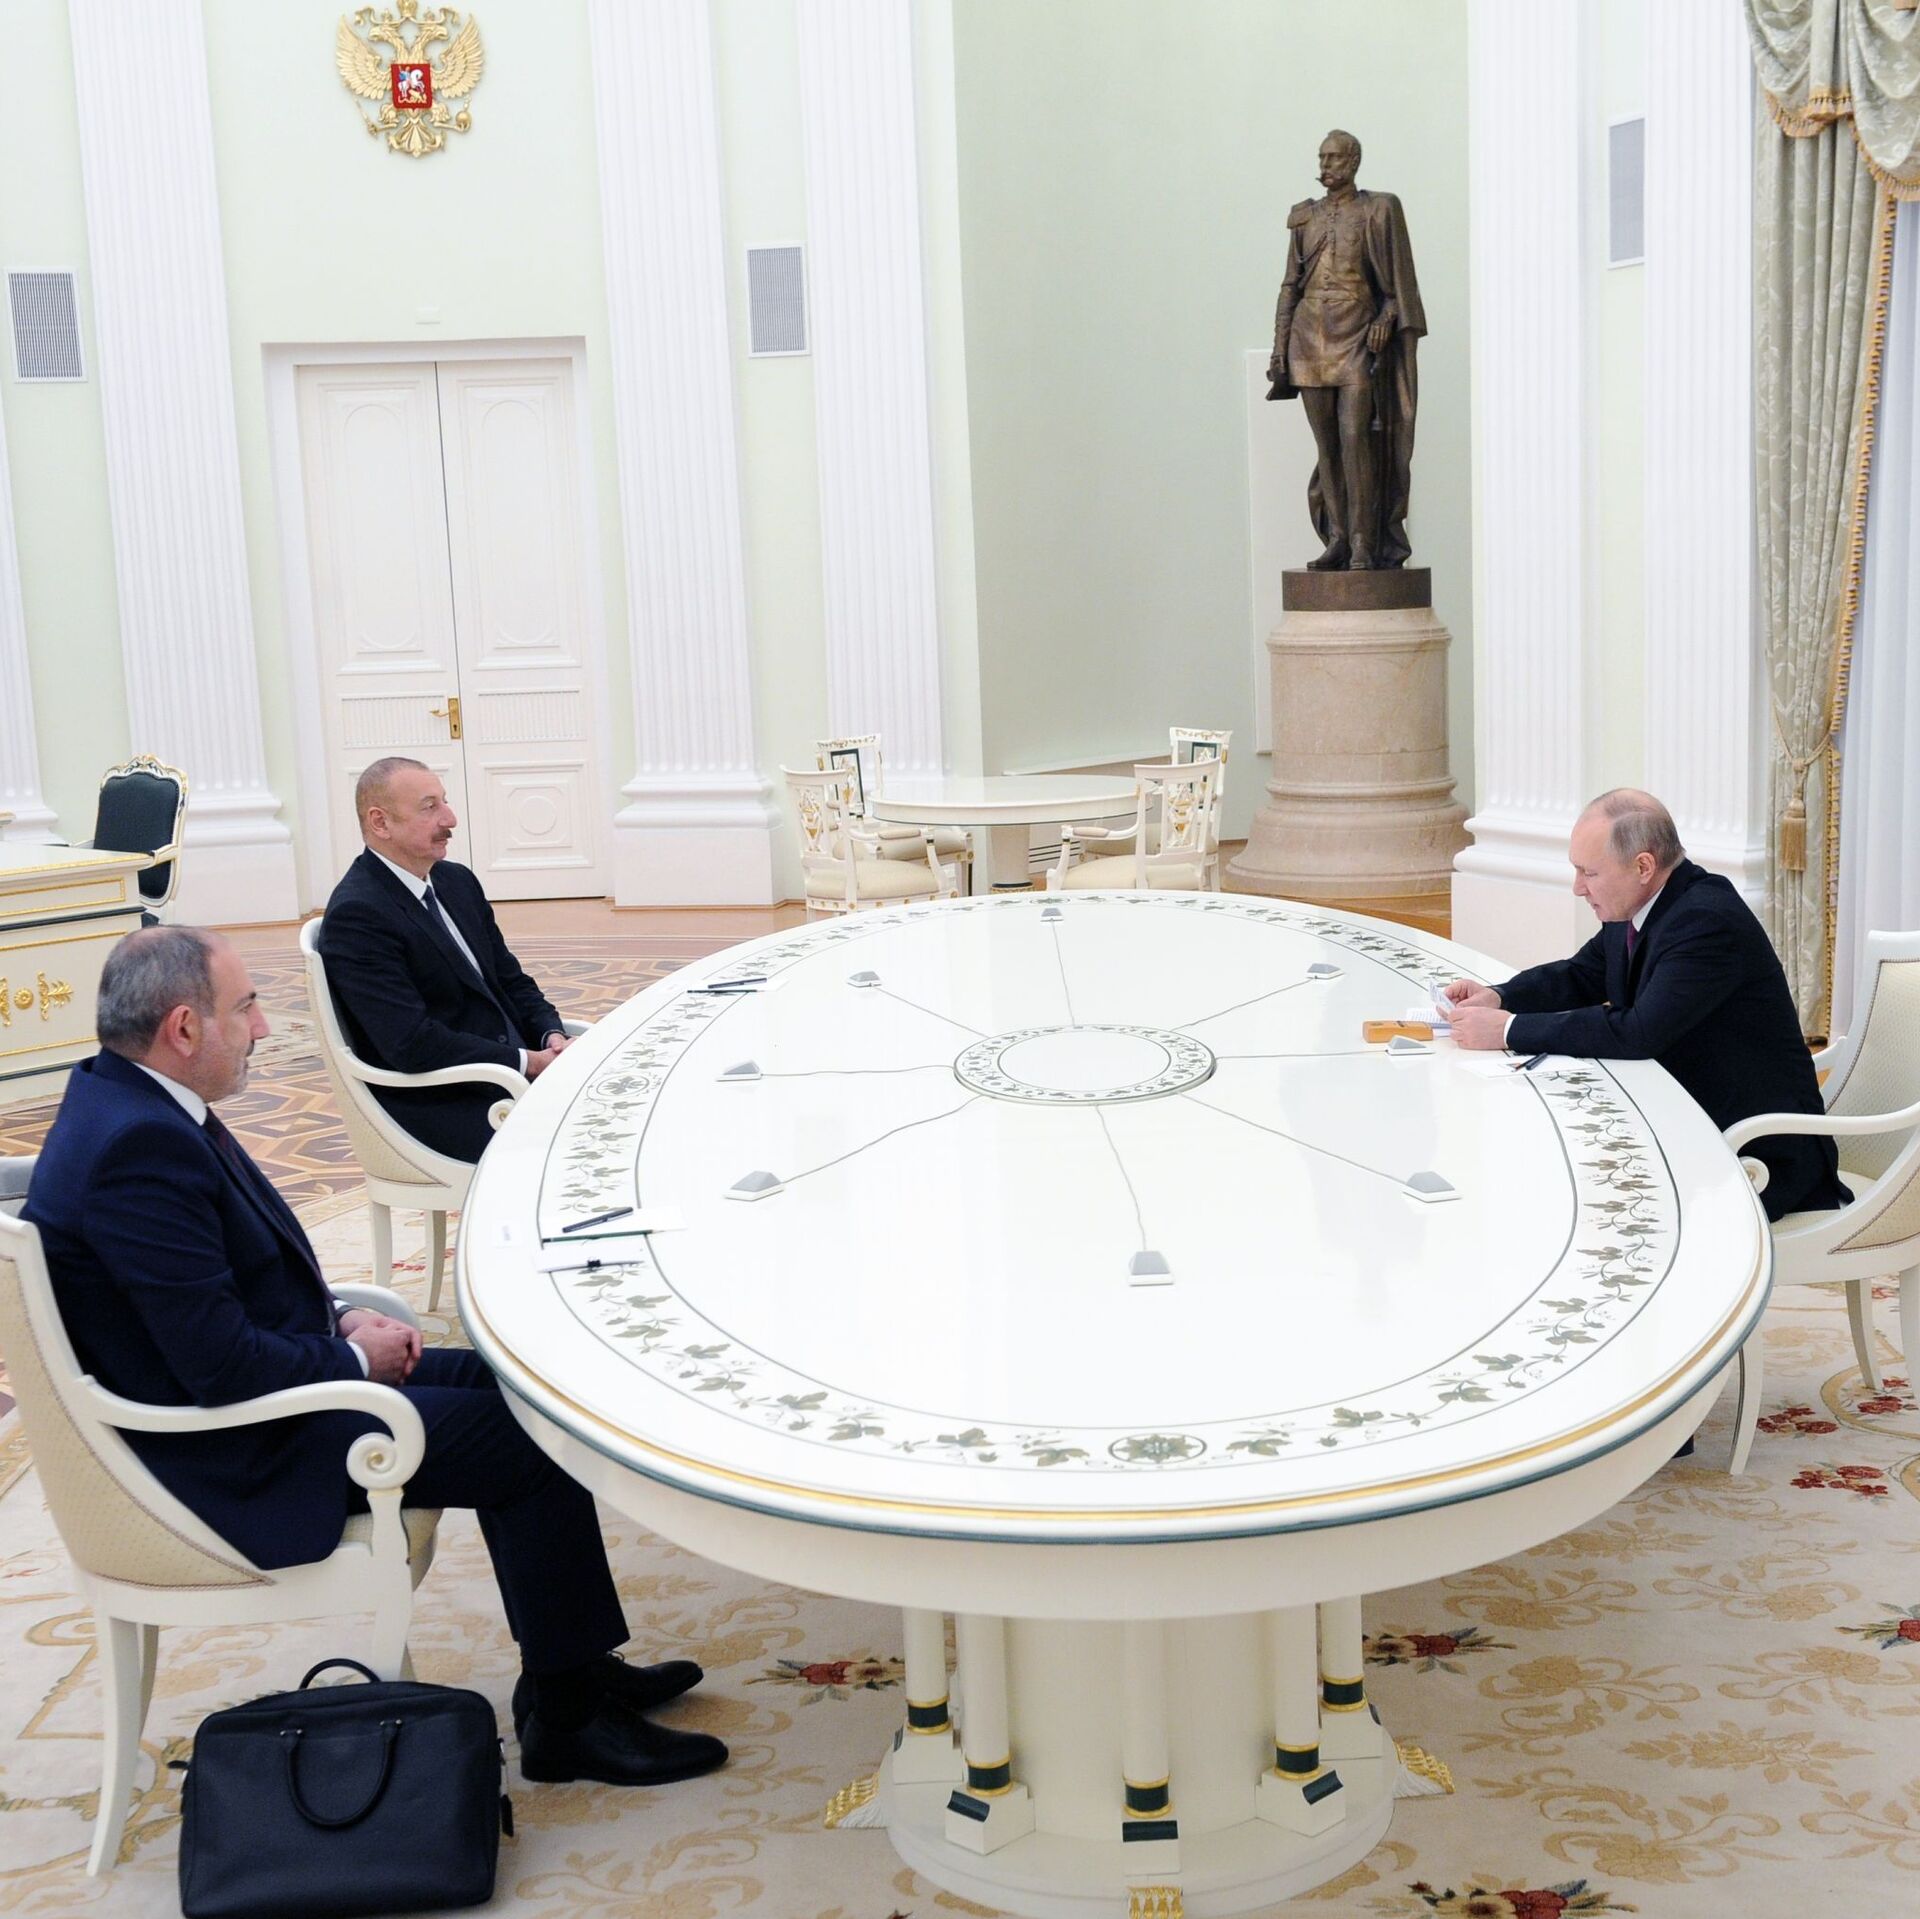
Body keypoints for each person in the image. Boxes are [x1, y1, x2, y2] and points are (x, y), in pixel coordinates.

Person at [23, 926, 725, 1788]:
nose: (265, 1027)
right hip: (235, 1447)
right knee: (528, 1442)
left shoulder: (127, 1098)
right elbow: (218, 1366)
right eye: (247, 1007)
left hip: (260, 1392)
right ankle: (570, 1719)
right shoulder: (138, 1149)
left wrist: (341, 1322)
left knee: (519, 1385)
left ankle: (572, 1669)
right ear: (183, 1027)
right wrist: (353, 1363)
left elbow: (214, 1300)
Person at [1445, 789, 1847, 1224]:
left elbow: (1639, 1032)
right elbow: (1582, 973)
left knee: (1572, 1195)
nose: (1578, 888)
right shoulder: (1641, 905)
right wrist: (1500, 996)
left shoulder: (1705, 920)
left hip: (1757, 1154)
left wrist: (1508, 1030)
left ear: (1643, 866)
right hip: (1687, 1121)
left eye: (1589, 872)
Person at [320, 757, 572, 1163]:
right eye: (429, 807)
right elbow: (411, 1043)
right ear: (380, 823)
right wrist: (527, 1063)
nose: (450, 819)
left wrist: (550, 1035)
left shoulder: (456, 881)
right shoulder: (359, 914)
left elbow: (510, 980)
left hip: (506, 1078)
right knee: (589, 1143)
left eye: (445, 801)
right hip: (446, 1101)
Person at [1267, 128, 1425, 570]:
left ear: (1354, 161)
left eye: (1334, 158)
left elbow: (1398, 289)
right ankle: (1337, 537)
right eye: (1321, 158)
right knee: (1328, 445)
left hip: (1355, 335)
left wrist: (1386, 318)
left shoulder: (1379, 209)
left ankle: (1363, 542)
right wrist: (1279, 347)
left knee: (1356, 437)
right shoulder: (1304, 218)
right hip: (1308, 339)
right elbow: (1290, 286)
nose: (1325, 166)